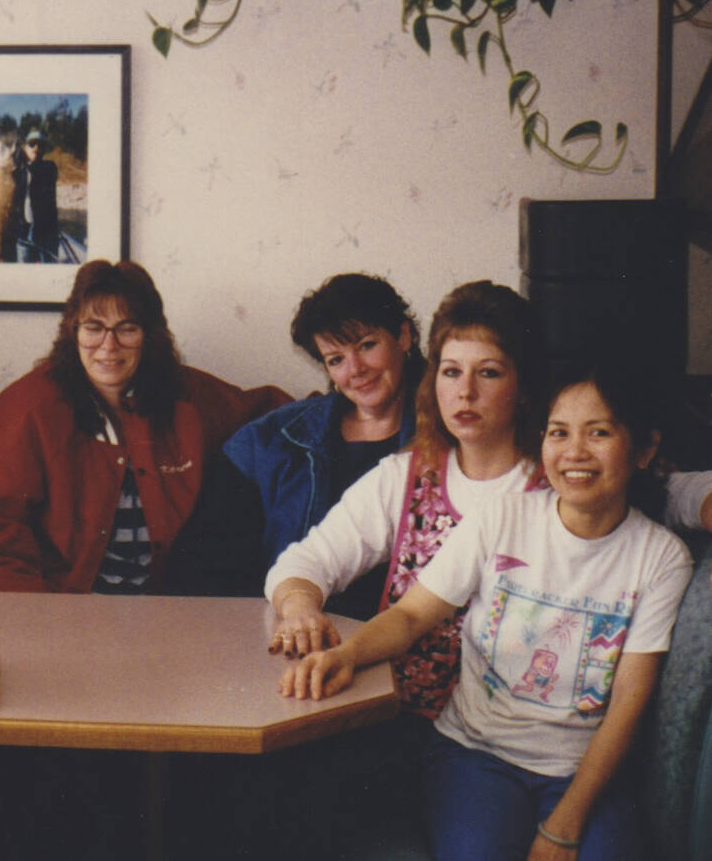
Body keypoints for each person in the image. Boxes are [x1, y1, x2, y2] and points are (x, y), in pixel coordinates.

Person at [281, 359, 694, 860]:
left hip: (583, 770)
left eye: (599, 433)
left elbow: (632, 695)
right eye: (558, 433)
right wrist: (348, 655)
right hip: (475, 752)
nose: (574, 452)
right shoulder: (503, 516)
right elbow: (412, 616)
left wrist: (565, 823)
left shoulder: (661, 557)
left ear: (644, 449)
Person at [265, 280, 547, 716]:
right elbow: (304, 562)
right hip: (400, 716)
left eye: (488, 372)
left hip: (512, 730)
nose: (465, 392)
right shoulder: (406, 475)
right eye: (451, 372)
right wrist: (300, 608)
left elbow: (665, 491)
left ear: (523, 383)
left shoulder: (556, 483)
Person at [0, 259, 288, 593]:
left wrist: (341, 401)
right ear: (73, 330)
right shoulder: (27, 407)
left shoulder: (189, 399)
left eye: (127, 328)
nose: (109, 346)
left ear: (148, 335)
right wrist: (43, 622)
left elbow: (278, 416)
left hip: (170, 615)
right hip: (64, 611)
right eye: (94, 327)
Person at [224, 273, 425, 614]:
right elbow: (220, 565)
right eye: (336, 360)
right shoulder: (275, 439)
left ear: (403, 336)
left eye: (367, 346)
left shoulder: (447, 434)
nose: (355, 369)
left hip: (400, 634)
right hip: (300, 626)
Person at [12, 129, 60, 263]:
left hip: (47, 233)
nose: (36, 147)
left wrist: (25, 163)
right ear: (25, 148)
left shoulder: (50, 167)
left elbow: (38, 174)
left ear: (45, 150)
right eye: (32, 144)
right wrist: (15, 165)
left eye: (40, 145)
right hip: (23, 232)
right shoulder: (20, 171)